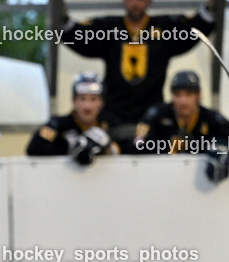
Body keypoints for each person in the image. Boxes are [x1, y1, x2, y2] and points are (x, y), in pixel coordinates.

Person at [58, 0, 216, 149]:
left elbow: (195, 28)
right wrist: (61, 15)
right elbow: (77, 35)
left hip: (153, 116)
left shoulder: (164, 28)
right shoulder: (109, 27)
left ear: (149, 1)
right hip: (113, 116)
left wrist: (210, 6)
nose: (135, 3)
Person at [134, 69, 229, 181]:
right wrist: (160, 148)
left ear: (198, 95)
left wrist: (219, 148)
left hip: (199, 183)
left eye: (188, 94)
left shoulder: (212, 119)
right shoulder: (157, 115)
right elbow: (137, 144)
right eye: (177, 95)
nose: (183, 101)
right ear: (172, 95)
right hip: (160, 179)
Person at [26, 72, 121, 164]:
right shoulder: (59, 124)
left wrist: (107, 148)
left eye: (93, 99)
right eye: (82, 98)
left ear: (102, 102)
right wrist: (69, 146)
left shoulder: (112, 125)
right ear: (73, 100)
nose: (87, 106)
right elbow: (33, 150)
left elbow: (131, 148)